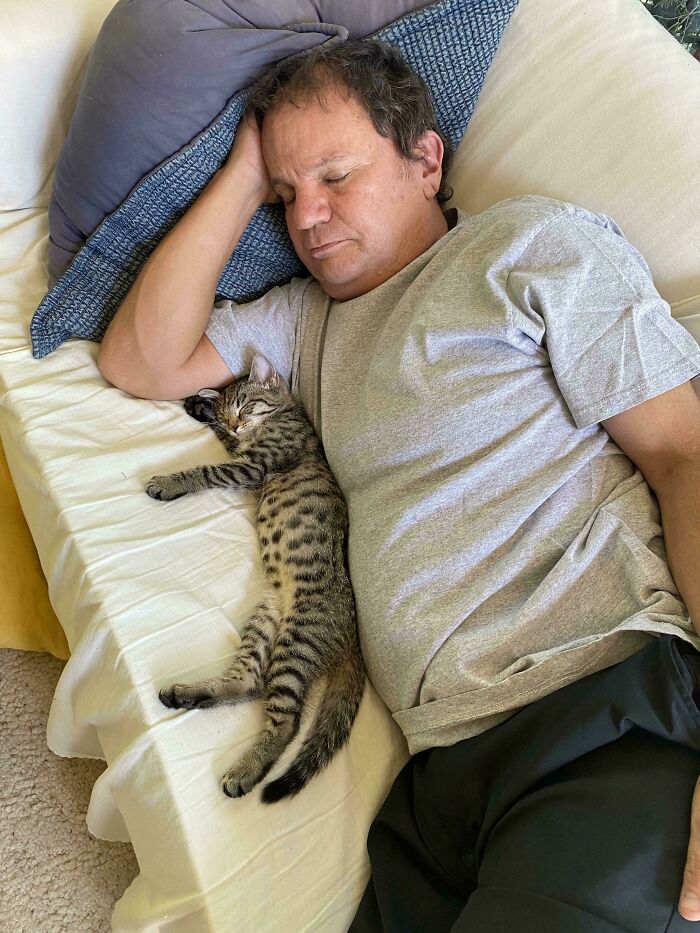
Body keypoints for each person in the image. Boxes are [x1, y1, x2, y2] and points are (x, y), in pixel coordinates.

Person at [98, 39, 700, 932]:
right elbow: (138, 361)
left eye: (336, 176)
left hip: (596, 702)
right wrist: (244, 176)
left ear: (425, 160)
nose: (308, 217)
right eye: (287, 196)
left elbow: (684, 455)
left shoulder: (528, 245)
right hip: (440, 775)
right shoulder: (304, 323)